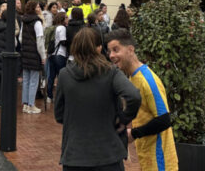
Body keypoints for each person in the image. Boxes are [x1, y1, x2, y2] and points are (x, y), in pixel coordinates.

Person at [55, 28, 141, 171]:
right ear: (99, 48)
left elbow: (59, 115)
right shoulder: (111, 72)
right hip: (108, 154)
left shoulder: (64, 75)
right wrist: (123, 119)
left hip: (75, 156)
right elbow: (133, 95)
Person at [107, 29, 178, 171]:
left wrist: (133, 134)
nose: (111, 55)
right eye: (109, 51)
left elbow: (164, 119)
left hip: (161, 162)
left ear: (130, 49)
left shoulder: (148, 80)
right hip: (148, 159)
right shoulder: (132, 77)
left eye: (116, 49)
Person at [20, 0, 46, 113]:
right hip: (34, 53)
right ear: (34, 9)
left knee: (26, 79)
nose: (39, 8)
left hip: (25, 52)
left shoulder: (24, 20)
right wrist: (43, 56)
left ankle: (25, 104)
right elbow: (40, 41)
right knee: (34, 80)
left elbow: (20, 38)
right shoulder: (37, 22)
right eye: (37, 7)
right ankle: (31, 105)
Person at [47, 12, 68, 104]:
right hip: (60, 54)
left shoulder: (54, 27)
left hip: (52, 54)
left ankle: (49, 96)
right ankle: (60, 97)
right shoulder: (62, 28)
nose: (68, 19)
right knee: (61, 76)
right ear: (62, 19)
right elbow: (63, 41)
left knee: (51, 76)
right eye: (66, 17)